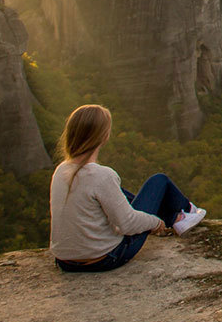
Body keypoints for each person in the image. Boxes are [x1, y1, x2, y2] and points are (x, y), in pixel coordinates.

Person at [48, 104, 206, 272]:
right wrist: (155, 222)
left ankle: (175, 217)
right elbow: (127, 225)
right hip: (104, 258)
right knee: (159, 181)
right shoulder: (103, 175)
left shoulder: (61, 170)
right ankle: (185, 212)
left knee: (117, 193)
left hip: (65, 261)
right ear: (104, 136)